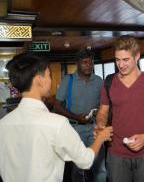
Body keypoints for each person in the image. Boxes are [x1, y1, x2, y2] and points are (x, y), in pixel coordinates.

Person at [0, 53, 113, 182]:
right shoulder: (56, 124)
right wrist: (101, 137)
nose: (50, 80)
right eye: (49, 75)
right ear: (40, 79)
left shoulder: (3, 124)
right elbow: (85, 161)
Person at [95, 35, 144, 182]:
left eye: (125, 60)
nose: (121, 65)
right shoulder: (108, 82)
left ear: (137, 56)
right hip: (116, 155)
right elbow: (103, 112)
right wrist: (100, 124)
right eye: (117, 60)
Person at [53, 49, 106, 182]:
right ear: (78, 64)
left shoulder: (99, 81)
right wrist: (76, 117)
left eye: (90, 62)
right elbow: (57, 106)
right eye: (84, 62)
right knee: (78, 170)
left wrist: (98, 111)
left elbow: (104, 105)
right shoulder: (68, 80)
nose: (88, 65)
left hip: (95, 128)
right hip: (75, 129)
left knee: (100, 168)